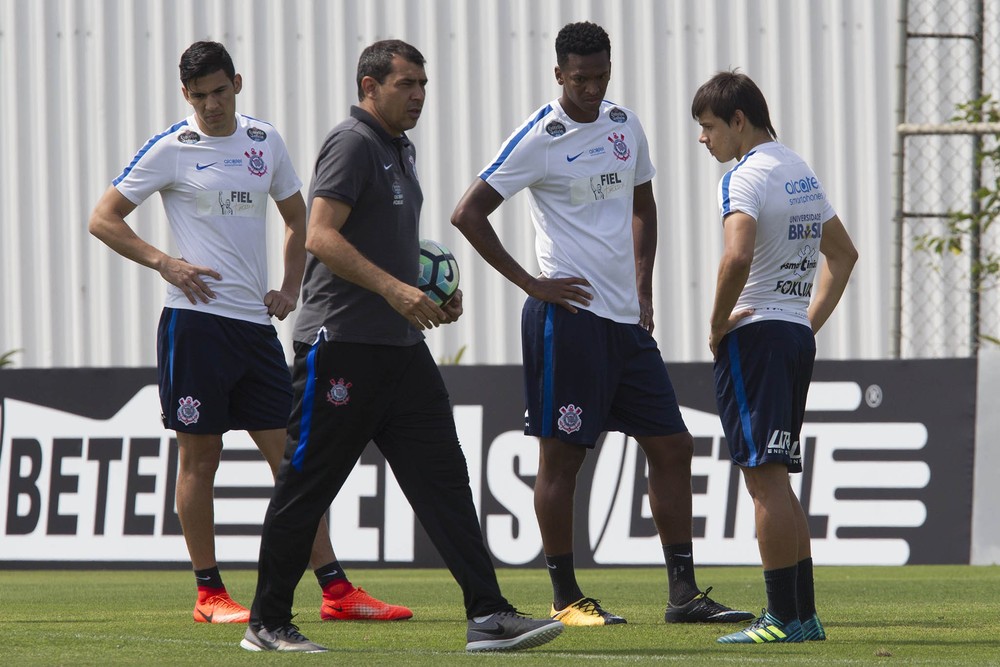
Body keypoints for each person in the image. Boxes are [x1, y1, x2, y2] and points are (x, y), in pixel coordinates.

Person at [240, 39, 565, 653]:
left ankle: (488, 616)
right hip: (341, 347)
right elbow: (320, 236)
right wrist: (396, 291)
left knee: (445, 480)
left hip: (398, 349)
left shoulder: (398, 148)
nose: (418, 95)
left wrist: (427, 296)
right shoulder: (352, 142)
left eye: (422, 84)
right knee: (305, 486)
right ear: (370, 86)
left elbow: (383, 245)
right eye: (406, 84)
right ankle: (267, 622)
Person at [89, 40, 410, 626]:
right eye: (199, 95)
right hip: (195, 327)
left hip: (255, 329)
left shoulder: (264, 142)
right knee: (200, 458)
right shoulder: (171, 148)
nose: (212, 105)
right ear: (185, 95)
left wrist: (289, 287)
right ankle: (209, 593)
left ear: (238, 82)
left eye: (220, 91)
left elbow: (298, 220)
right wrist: (166, 263)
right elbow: (102, 219)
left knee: (293, 461)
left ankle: (335, 590)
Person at [450, 21, 754, 628]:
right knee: (562, 461)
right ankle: (564, 598)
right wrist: (533, 284)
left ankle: (682, 595)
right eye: (579, 78)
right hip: (568, 320)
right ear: (559, 75)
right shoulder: (541, 136)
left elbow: (644, 204)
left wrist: (643, 287)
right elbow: (468, 213)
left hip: (625, 324)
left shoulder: (624, 125)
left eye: (600, 76)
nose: (591, 88)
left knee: (673, 446)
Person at [690, 70, 858, 644]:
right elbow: (844, 254)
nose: (703, 139)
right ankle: (803, 617)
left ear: (738, 122)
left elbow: (735, 258)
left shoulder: (745, 176)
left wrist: (715, 327)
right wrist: (804, 323)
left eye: (709, 127)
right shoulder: (798, 168)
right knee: (780, 481)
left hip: (755, 337)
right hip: (789, 338)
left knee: (763, 483)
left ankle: (781, 618)